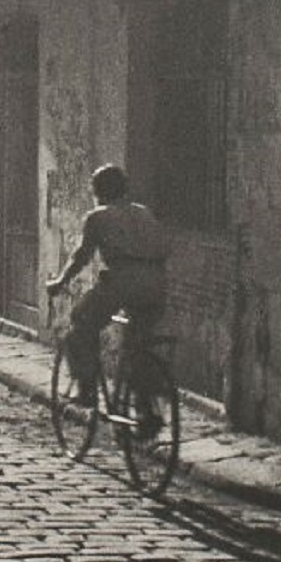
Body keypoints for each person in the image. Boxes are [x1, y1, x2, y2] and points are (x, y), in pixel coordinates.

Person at [46, 164, 169, 417]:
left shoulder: (98, 217)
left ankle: (87, 390)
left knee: (81, 320)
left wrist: (60, 282)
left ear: (98, 191)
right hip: (156, 284)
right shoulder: (144, 213)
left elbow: (81, 256)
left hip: (123, 282)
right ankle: (144, 405)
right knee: (137, 342)